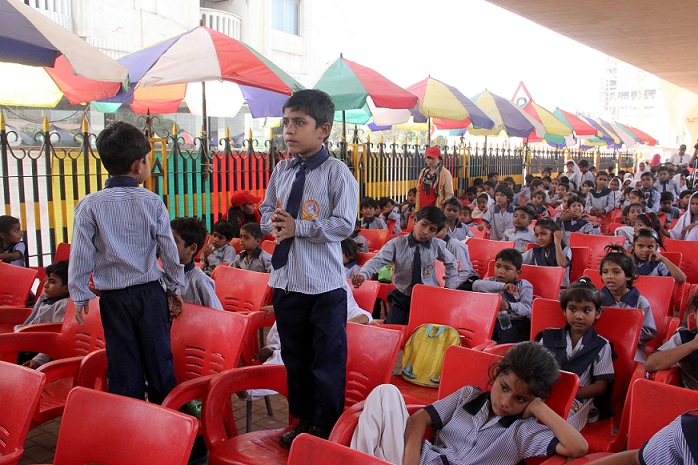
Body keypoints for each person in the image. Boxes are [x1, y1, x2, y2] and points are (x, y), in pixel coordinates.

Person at [259, 89, 358, 446]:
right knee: (296, 358)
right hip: (286, 281)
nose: (289, 129)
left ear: (323, 130)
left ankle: (326, 427)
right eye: (286, 121)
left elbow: (345, 224)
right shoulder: (282, 170)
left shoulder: (337, 173)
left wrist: (299, 227)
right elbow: (265, 210)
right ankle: (303, 421)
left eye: (299, 122)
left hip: (323, 287)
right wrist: (273, 223)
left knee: (326, 362)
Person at [68, 121, 185, 404]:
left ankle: (130, 429)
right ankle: (168, 429)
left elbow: (80, 254)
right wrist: (174, 287)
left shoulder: (90, 205)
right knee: (159, 360)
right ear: (138, 165)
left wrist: (80, 293)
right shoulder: (152, 201)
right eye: (148, 160)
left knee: (123, 364)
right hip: (150, 295)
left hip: (114, 299)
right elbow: (169, 251)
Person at [350, 342, 588, 465]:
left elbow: (578, 448)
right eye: (504, 388)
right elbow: (420, 417)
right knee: (386, 392)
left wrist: (538, 408)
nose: (505, 402)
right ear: (496, 376)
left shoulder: (522, 432)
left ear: (534, 400)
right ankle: (353, 460)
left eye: (520, 399)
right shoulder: (468, 396)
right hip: (413, 460)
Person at [247, 279, 372, 400]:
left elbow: (365, 316)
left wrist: (338, 326)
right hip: (302, 340)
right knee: (290, 317)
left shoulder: (339, 289)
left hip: (323, 348)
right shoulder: (306, 283)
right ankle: (274, 349)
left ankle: (251, 387)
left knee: (292, 356)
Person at [352, 206, 458, 325]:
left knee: (424, 330)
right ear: (415, 220)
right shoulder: (397, 244)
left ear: (436, 233)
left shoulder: (437, 245)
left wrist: (449, 289)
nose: (426, 232)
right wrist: (363, 274)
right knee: (393, 327)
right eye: (424, 225)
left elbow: (452, 263)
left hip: (428, 297)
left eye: (432, 229)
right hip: (402, 296)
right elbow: (377, 261)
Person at [536, 278, 615, 431]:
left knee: (557, 427)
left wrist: (572, 391)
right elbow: (534, 369)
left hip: (578, 399)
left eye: (586, 310)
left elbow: (601, 387)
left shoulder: (601, 345)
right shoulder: (547, 337)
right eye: (572, 309)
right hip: (546, 394)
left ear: (597, 313)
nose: (579, 316)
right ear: (564, 311)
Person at [599, 245, 658, 362]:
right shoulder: (597, 300)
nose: (609, 276)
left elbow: (649, 331)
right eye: (605, 272)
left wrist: (626, 334)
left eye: (616, 272)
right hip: (601, 345)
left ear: (628, 276)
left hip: (633, 347)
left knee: (633, 364)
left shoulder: (640, 302)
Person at [14, 260, 70, 368]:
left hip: (43, 350)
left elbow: (56, 338)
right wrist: (18, 334)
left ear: (66, 288)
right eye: (47, 280)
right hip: (29, 340)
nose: (46, 285)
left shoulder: (64, 305)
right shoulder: (43, 298)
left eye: (52, 282)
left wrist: (39, 359)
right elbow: (30, 321)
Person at [472, 248, 533, 343]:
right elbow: (475, 285)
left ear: (518, 273)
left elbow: (527, 309)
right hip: (489, 321)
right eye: (498, 266)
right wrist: (503, 286)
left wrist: (509, 306)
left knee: (506, 341)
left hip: (514, 322)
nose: (501, 271)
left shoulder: (524, 285)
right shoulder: (489, 282)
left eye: (507, 268)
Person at [646, 292, 698, 390]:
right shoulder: (684, 337)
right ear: (694, 313)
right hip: (692, 399)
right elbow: (651, 364)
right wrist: (692, 345)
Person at [170, 217, 223, 310]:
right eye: (166, 239)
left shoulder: (199, 281)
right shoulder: (162, 275)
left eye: (174, 241)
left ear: (192, 248)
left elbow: (218, 315)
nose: (166, 245)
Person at [522, 218, 572, 289]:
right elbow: (518, 260)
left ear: (554, 234)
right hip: (541, 288)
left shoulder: (565, 249)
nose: (539, 238)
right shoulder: (535, 251)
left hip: (560, 289)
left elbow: (562, 264)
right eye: (537, 235)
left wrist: (557, 242)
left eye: (543, 234)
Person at [435, 224, 478, 291]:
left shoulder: (456, 245)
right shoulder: (431, 244)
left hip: (464, 280)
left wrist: (450, 287)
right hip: (445, 280)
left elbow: (465, 272)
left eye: (435, 230)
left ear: (445, 228)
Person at [416, 146, 454, 211]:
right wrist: (417, 209)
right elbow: (419, 191)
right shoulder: (423, 172)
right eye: (428, 158)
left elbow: (449, 194)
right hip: (423, 209)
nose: (430, 161)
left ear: (439, 159)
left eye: (433, 158)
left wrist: (442, 208)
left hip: (436, 210)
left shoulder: (445, 173)